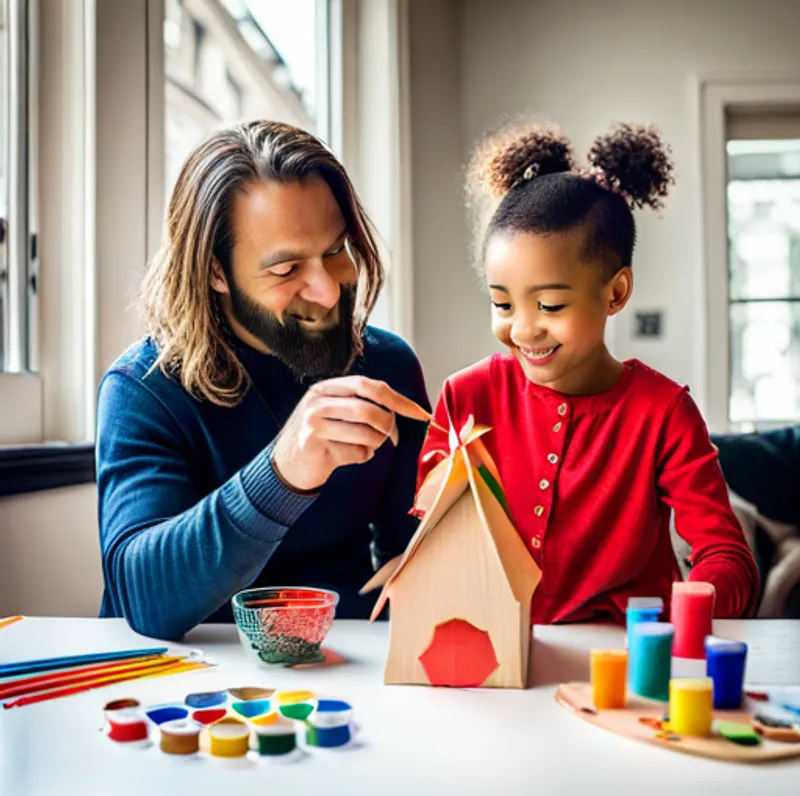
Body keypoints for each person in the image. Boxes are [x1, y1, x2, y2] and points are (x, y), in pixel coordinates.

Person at [96, 121, 430, 640]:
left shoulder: (389, 368)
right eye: (286, 268)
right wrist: (283, 473)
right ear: (215, 272)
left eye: (336, 250)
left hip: (348, 669)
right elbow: (141, 597)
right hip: (187, 685)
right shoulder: (143, 388)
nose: (325, 290)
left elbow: (410, 563)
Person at [417, 120, 759, 624]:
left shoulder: (663, 412)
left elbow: (727, 556)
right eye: (502, 303)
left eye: (550, 305)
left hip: (626, 664)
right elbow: (433, 533)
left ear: (616, 293)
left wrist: (679, 615)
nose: (524, 330)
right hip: (493, 665)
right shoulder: (466, 396)